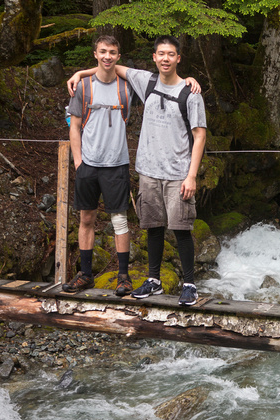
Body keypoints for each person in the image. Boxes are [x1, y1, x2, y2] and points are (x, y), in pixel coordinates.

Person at [68, 35, 207, 306]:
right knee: (153, 227)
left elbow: (200, 135)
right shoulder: (146, 81)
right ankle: (153, 280)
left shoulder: (190, 93)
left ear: (178, 58)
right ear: (154, 58)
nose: (165, 58)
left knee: (181, 228)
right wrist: (79, 72)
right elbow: (109, 66)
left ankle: (189, 283)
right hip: (148, 171)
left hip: (178, 172)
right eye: (160, 54)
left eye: (171, 54)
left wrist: (191, 175)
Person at [62, 34, 134, 297]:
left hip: (117, 163)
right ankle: (86, 274)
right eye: (102, 52)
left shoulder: (127, 86)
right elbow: (75, 126)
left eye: (112, 52)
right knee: (87, 218)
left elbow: (160, 78)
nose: (107, 56)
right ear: (95, 54)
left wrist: (190, 81)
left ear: (118, 55)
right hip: (88, 165)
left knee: (119, 220)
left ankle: (124, 277)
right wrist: (78, 161)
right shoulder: (83, 87)